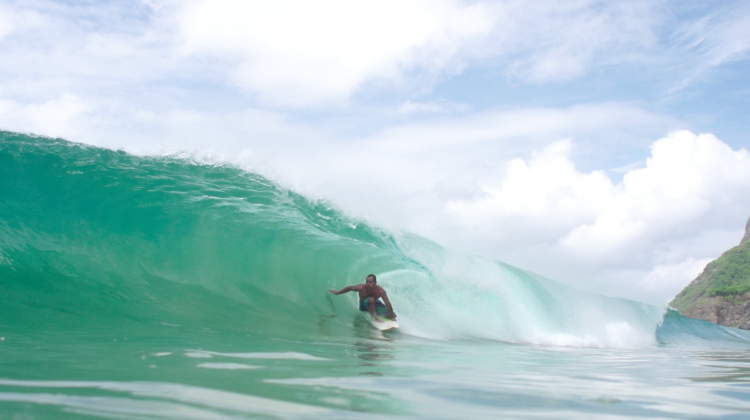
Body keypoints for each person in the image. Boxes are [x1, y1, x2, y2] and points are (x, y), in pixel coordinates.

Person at [329, 274, 397, 321]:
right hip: (363, 306)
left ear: (375, 282)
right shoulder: (361, 288)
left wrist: (391, 316)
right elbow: (350, 288)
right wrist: (337, 293)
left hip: (374, 305)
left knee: (393, 315)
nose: (368, 283)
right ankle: (374, 318)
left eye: (370, 282)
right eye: (367, 281)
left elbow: (388, 304)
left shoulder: (381, 291)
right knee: (372, 299)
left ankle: (386, 316)